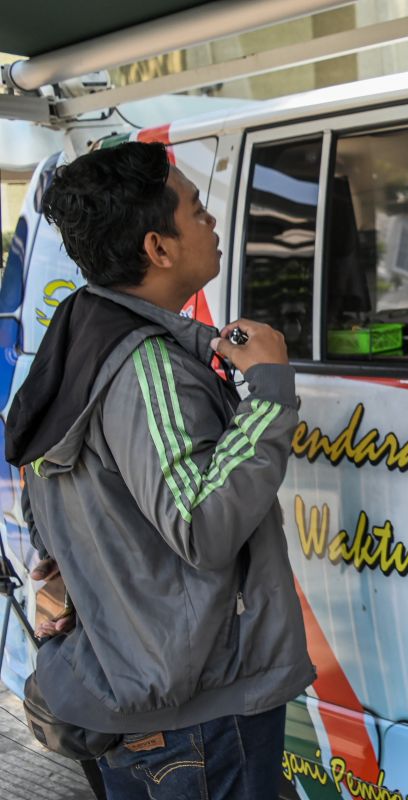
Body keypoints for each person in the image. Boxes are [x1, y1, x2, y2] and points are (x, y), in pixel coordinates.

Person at [4, 142, 315, 799]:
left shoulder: (77, 334)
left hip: (143, 692)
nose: (213, 223)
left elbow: (56, 521)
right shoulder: (146, 364)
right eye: (198, 211)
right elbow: (202, 522)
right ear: (159, 247)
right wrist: (269, 390)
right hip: (196, 710)